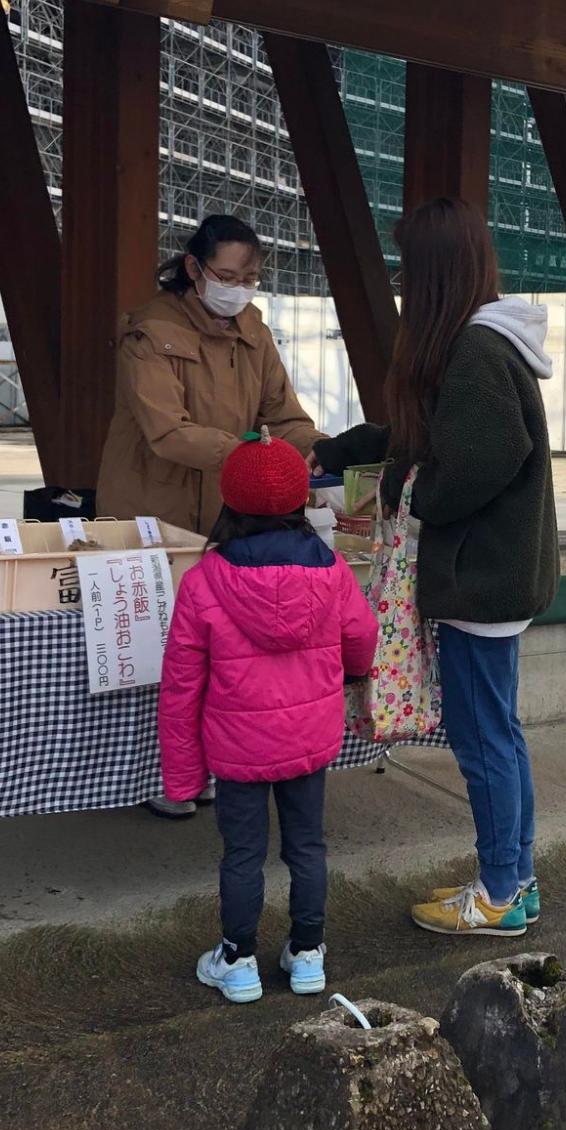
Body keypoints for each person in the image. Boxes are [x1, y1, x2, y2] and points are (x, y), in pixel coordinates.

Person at [314, 197, 558, 939]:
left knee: (483, 740)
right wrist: (346, 450)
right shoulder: (482, 343)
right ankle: (514, 879)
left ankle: (498, 894)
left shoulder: (477, 351)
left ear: (433, 274)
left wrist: (409, 493)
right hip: (496, 576)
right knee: (499, 735)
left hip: (481, 579)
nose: (397, 280)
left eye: (405, 266)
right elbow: (432, 432)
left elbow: (476, 459)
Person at [97, 214, 324, 818]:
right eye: (227, 275)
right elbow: (167, 433)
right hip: (156, 514)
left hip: (229, 520)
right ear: (194, 268)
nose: (240, 288)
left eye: (251, 277)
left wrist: (305, 451)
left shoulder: (254, 330)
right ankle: (160, 775)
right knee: (161, 653)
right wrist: (256, 456)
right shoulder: (152, 332)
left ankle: (215, 763)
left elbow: (290, 416)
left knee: (222, 653)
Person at [158, 430, 379, 1004]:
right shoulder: (330, 570)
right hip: (309, 740)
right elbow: (362, 637)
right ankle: (308, 953)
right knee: (307, 847)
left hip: (237, 749)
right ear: (300, 501)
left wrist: (181, 780)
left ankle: (237, 960)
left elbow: (181, 686)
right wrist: (349, 672)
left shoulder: (204, 580)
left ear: (228, 501)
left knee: (242, 855)